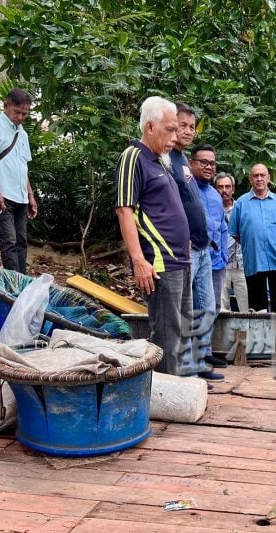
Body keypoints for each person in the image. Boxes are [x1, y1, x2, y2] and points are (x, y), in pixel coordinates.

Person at [114, 96, 191, 376]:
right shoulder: (133, 157)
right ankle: (165, 393)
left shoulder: (161, 162)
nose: (176, 136)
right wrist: (138, 260)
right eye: (170, 129)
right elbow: (125, 210)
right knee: (167, 334)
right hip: (159, 262)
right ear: (149, 127)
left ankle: (179, 388)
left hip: (180, 259)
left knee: (182, 328)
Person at [169, 103, 224, 378]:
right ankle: (187, 369)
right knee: (186, 312)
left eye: (192, 126)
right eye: (183, 125)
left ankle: (200, 363)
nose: (188, 131)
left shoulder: (181, 160)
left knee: (208, 308)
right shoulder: (166, 159)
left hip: (202, 251)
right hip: (184, 250)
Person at [228, 164, 276, 354]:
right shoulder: (241, 203)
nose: (259, 179)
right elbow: (235, 233)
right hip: (254, 260)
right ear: (250, 179)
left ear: (268, 178)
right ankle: (261, 345)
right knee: (256, 305)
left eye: (262, 175)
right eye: (255, 175)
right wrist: (252, 243)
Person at [0, 88, 37, 273]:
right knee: (9, 242)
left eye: (24, 114)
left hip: (20, 196)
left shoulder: (23, 134)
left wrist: (30, 195)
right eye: (17, 112)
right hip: (1, 193)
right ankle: (13, 288)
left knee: (21, 242)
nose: (20, 117)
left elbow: (23, 166)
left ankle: (22, 284)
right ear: (6, 106)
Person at [191, 146, 229, 314]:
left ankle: (207, 340)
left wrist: (223, 255)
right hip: (193, 256)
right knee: (191, 307)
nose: (209, 167)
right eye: (204, 162)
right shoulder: (186, 190)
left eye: (212, 163)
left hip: (216, 263)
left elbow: (222, 227)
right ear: (192, 163)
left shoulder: (215, 194)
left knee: (213, 309)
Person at [215, 172, 249, 312]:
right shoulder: (210, 210)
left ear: (233, 189)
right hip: (220, 266)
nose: (224, 190)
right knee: (221, 309)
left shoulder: (242, 209)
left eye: (227, 187)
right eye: (220, 187)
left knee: (246, 308)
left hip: (242, 265)